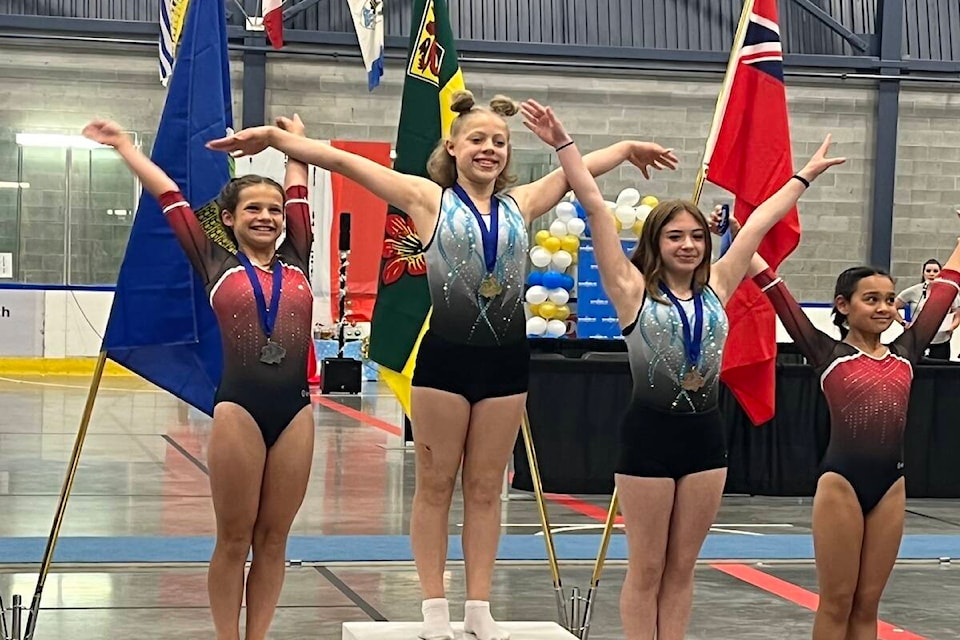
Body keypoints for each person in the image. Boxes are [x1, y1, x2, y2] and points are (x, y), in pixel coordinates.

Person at [206, 93, 677, 640]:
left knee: (484, 489)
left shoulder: (521, 204)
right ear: (451, 147)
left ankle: (478, 606)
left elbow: (578, 172)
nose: (489, 149)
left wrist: (625, 147)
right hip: (445, 361)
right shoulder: (427, 198)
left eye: (499, 142)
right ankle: (434, 606)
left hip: (505, 364)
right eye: (477, 139)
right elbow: (342, 162)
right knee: (435, 485)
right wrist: (274, 140)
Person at [522, 99, 842, 638]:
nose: (689, 245)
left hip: (704, 439)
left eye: (696, 236)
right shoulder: (630, 293)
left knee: (682, 568)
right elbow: (598, 208)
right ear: (655, 243)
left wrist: (802, 177)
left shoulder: (719, 288)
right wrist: (562, 143)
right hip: (648, 437)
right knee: (646, 568)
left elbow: (760, 222)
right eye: (675, 236)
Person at [83, 116, 316, 640]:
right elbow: (168, 193)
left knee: (275, 538)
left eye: (274, 210)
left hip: (296, 412)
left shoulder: (298, 259)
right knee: (235, 538)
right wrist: (124, 145)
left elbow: (300, 182)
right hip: (239, 409)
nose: (267, 217)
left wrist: (295, 142)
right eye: (253, 208)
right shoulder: (214, 261)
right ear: (228, 219)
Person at [726, 214, 960, 640]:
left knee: (868, 604)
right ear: (842, 305)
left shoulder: (906, 352)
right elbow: (774, 289)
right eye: (871, 299)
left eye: (890, 300)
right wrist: (744, 233)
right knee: (837, 602)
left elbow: (944, 292)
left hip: (891, 486)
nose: (884, 308)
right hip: (841, 484)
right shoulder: (826, 353)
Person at [895, 257, 960, 360]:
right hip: (917, 341)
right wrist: (903, 322)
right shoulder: (913, 291)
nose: (931, 274)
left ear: (940, 273)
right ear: (923, 273)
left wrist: (952, 326)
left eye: (935, 271)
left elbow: (958, 315)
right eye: (928, 271)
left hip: (941, 341)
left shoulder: (950, 293)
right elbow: (892, 307)